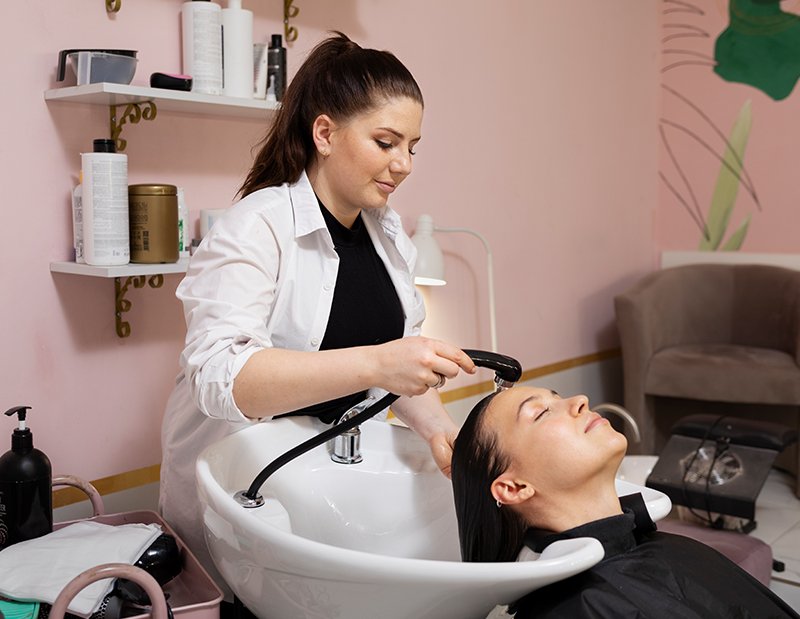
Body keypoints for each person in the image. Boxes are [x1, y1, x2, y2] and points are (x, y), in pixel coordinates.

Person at [159, 31, 475, 598]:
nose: (403, 164)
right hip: (241, 497)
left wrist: (439, 431)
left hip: (323, 485)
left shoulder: (388, 235)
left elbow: (400, 365)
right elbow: (221, 377)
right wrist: (376, 363)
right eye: (386, 142)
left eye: (413, 147)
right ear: (325, 134)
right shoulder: (256, 227)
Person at [451, 386, 799, 618]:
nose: (580, 399)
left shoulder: (654, 546)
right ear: (514, 487)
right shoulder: (578, 607)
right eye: (540, 413)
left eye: (557, 396)